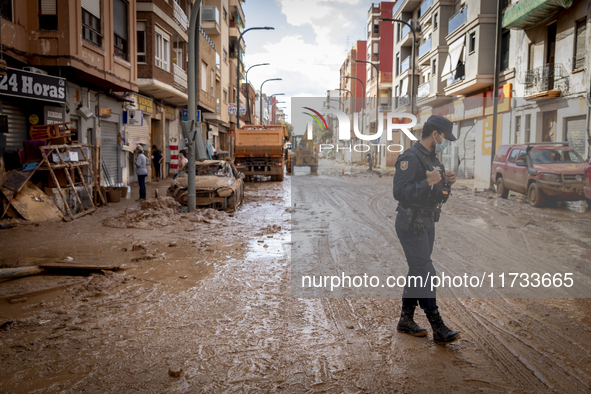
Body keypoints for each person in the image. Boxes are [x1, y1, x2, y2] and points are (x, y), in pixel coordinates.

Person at [392, 115, 460, 344]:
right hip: (411, 223)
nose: (445, 141)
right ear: (435, 134)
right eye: (443, 136)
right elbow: (399, 193)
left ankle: (406, 320)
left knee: (417, 270)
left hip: (428, 222)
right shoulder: (410, 158)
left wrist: (446, 184)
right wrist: (427, 182)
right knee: (426, 272)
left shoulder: (434, 160)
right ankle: (437, 326)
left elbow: (439, 198)